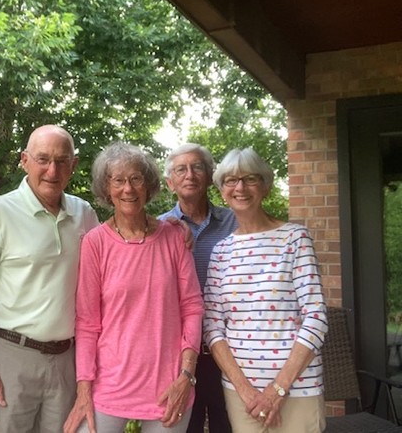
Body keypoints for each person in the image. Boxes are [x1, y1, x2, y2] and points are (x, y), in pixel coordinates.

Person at [0, 124, 101, 432]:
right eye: (43, 159)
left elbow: (116, 258)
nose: (52, 170)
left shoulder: (85, 214)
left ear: (73, 165)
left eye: (62, 161)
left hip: (67, 362)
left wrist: (166, 228)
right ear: (25, 160)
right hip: (10, 358)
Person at [64, 142, 204, 433]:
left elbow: (192, 307)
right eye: (118, 180)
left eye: (136, 179)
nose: (128, 189)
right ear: (107, 188)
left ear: (148, 185)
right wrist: (84, 389)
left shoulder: (174, 237)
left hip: (169, 385)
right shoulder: (95, 243)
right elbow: (87, 323)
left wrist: (186, 375)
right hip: (109, 385)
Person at [203, 148, 328, 433]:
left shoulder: (295, 238)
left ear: (266, 186)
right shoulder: (221, 252)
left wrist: (277, 389)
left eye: (250, 179)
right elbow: (212, 326)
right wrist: (245, 390)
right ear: (222, 190)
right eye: (231, 180)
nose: (240, 187)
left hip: (297, 390)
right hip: (241, 396)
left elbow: (316, 318)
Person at [159, 143, 237, 433]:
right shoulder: (160, 230)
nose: (189, 175)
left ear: (209, 176)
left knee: (227, 425)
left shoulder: (236, 222)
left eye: (197, 167)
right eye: (181, 169)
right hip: (180, 354)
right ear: (170, 183)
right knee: (185, 426)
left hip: (230, 348)